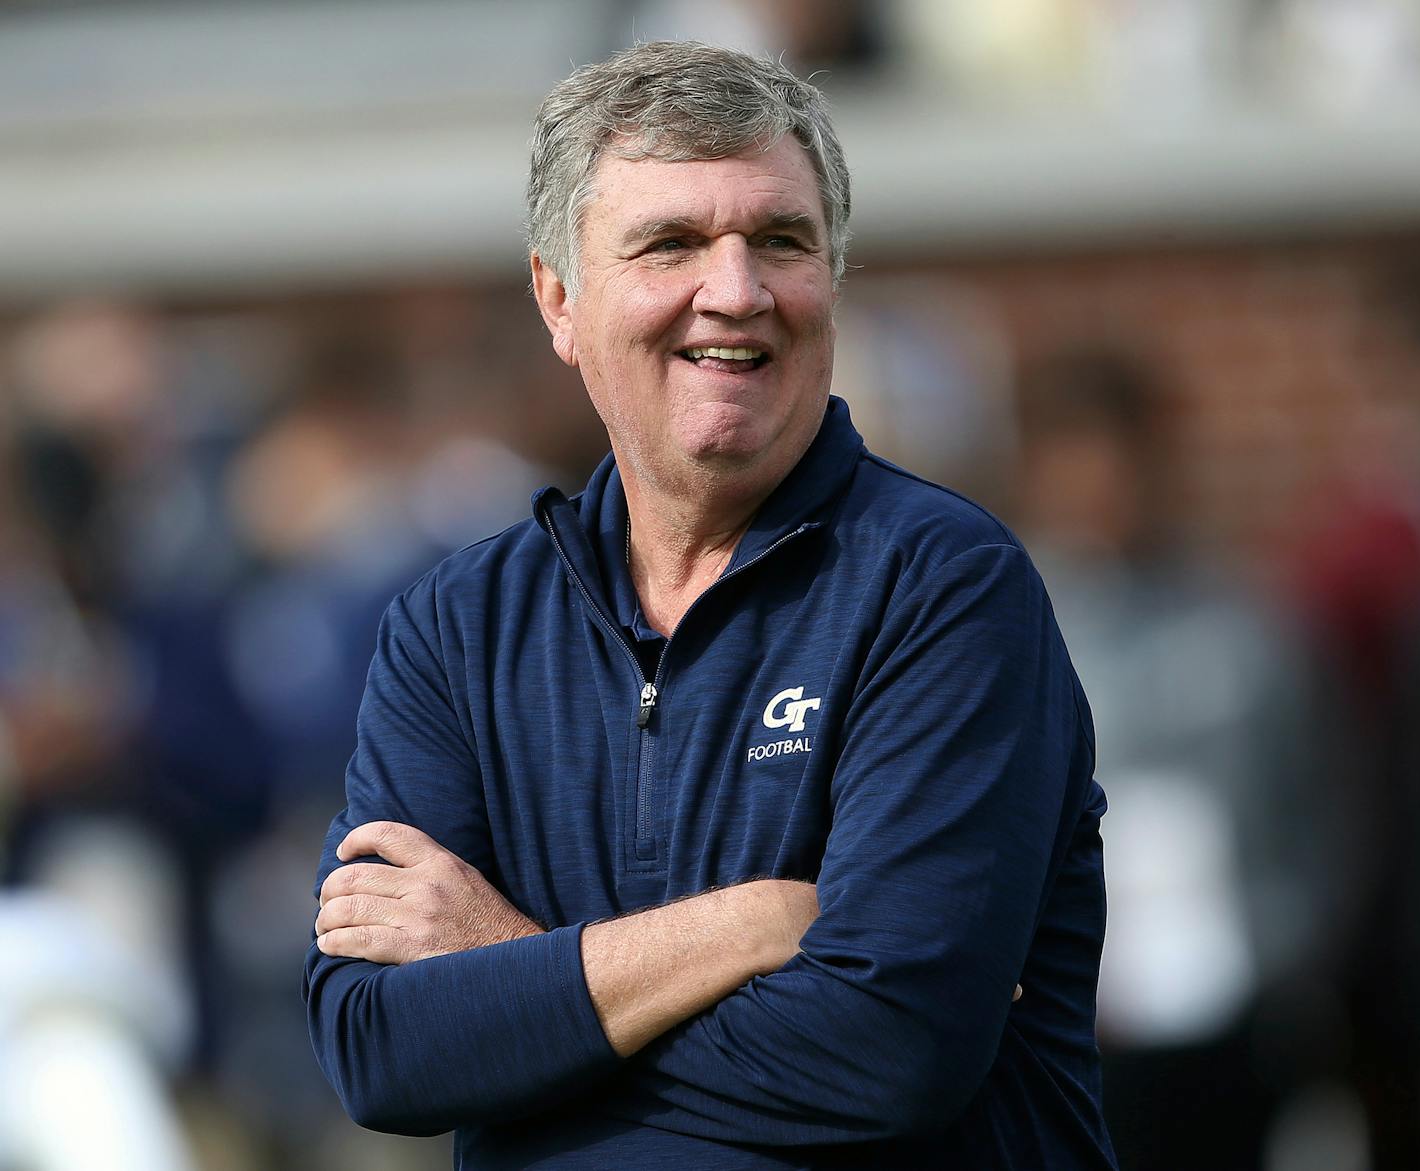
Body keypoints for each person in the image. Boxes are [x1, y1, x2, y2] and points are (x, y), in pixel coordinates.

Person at [304, 40, 1117, 1170]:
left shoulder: (941, 588)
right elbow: (379, 1050)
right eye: (670, 242)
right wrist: (746, 927)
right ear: (559, 298)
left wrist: (515, 966)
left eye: (780, 240)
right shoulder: (457, 627)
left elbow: (886, 1051)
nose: (733, 291)